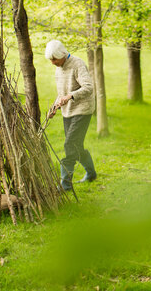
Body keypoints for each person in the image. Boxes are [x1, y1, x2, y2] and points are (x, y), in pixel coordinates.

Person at [45, 40, 97, 191]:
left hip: (82, 110)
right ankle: (91, 174)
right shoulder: (58, 69)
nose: (52, 62)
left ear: (62, 54)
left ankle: (65, 185)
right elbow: (61, 94)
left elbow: (88, 87)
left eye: (54, 59)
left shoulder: (77, 64)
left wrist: (70, 97)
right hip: (68, 112)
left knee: (69, 145)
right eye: (50, 60)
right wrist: (54, 107)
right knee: (76, 146)